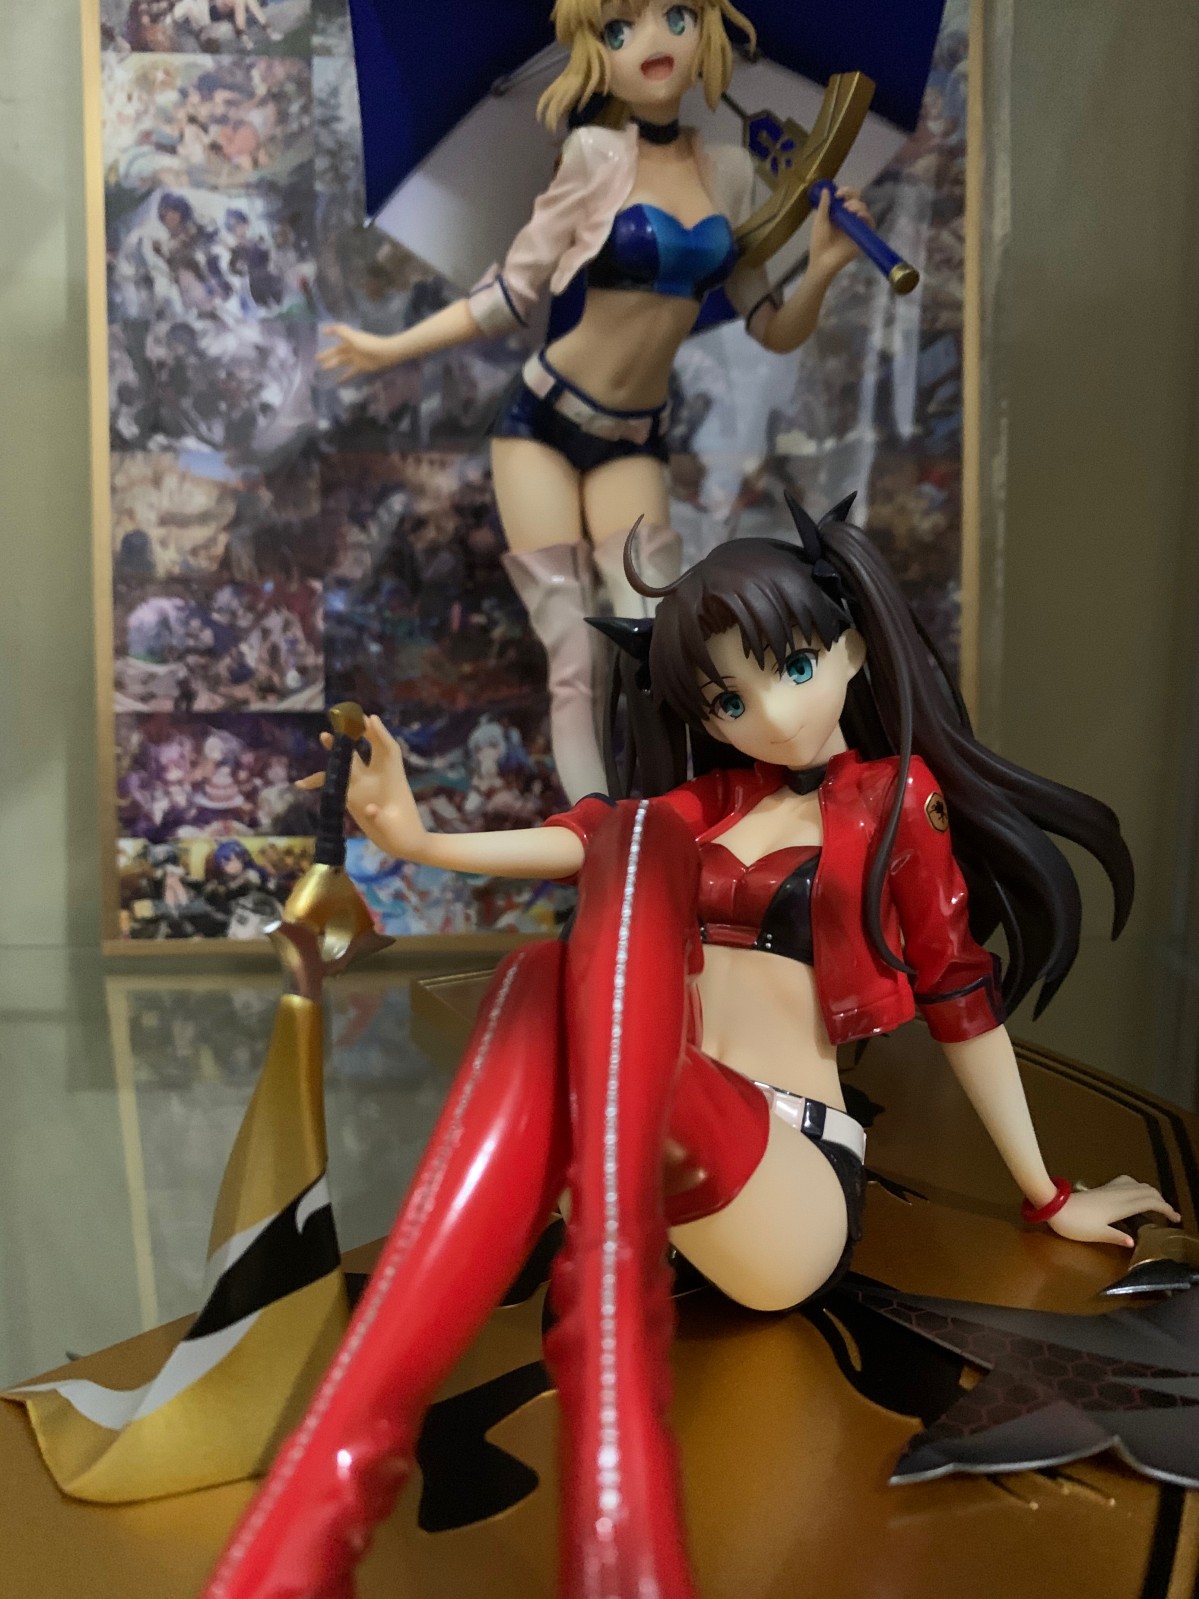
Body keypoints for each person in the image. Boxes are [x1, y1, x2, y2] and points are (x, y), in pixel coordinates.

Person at [199, 499, 1179, 1599]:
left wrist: (1047, 1194)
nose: (770, 713)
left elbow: (958, 994)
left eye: (793, 667)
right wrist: (417, 839)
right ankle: (416, 1509)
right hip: (645, 1180)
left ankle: (460, 1509)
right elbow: (579, 841)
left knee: (573, 953)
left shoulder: (896, 801)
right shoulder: (704, 804)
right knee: (543, 963)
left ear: (852, 648)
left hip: (788, 1179)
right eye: (728, 699)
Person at [319, 0, 874, 802]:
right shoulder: (591, 156)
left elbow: (771, 326)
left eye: (674, 15)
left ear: (708, 29)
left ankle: (674, 813)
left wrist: (820, 266)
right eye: (618, 30)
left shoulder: (728, 169)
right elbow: (508, 296)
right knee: (573, 657)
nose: (651, 41)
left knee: (659, 637)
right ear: (593, 55)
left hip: (633, 436)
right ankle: (595, 829)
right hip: (541, 423)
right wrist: (386, 349)